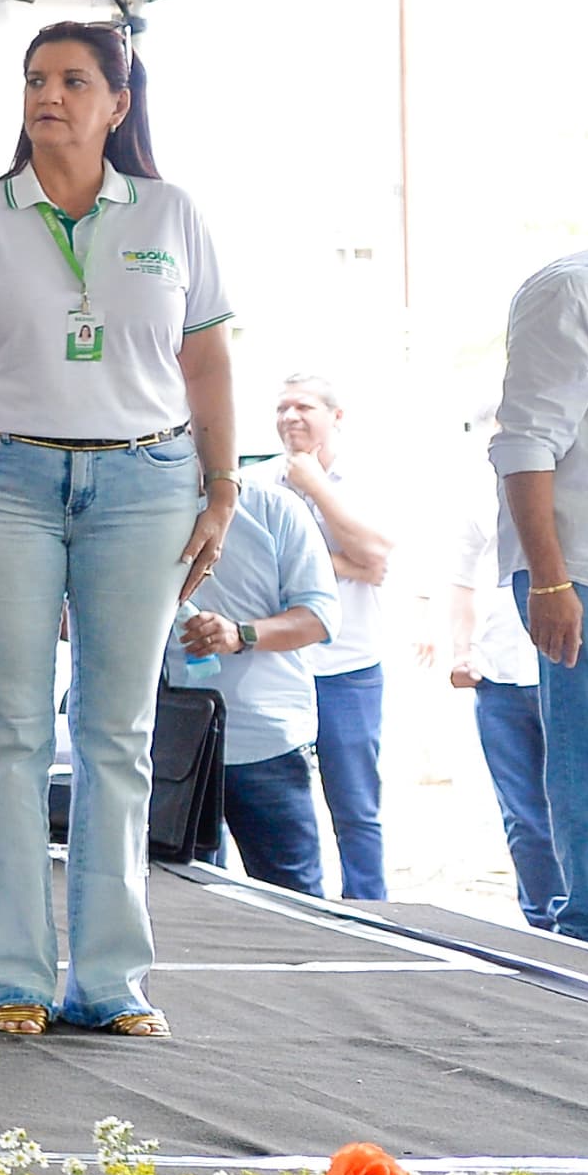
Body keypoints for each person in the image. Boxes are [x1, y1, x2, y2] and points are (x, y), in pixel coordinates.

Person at [0, 18, 237, 1039]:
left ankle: (110, 979)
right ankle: (13, 977)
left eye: (72, 80)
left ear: (116, 105)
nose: (48, 94)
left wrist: (219, 489)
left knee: (116, 733)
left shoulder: (170, 212)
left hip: (145, 483)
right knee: (5, 732)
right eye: (34, 78)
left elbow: (208, 361)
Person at [162, 470, 338, 896]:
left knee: (292, 899)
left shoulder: (275, 509)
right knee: (178, 895)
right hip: (166, 740)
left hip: (264, 740)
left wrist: (240, 635)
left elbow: (319, 616)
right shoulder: (138, 507)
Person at [491, 245, 588, 943]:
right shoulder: (570, 291)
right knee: (584, 755)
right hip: (577, 570)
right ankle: (584, 926)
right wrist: (549, 579)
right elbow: (524, 443)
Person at [268, 373, 391, 902]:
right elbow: (263, 569)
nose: (291, 417)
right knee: (277, 798)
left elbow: (377, 558)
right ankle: (297, 902)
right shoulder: (262, 482)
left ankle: (369, 906)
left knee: (355, 802)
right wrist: (343, 562)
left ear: (336, 416)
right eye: (282, 408)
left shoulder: (362, 478)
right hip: (279, 665)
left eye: (305, 407)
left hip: (349, 667)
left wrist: (316, 486)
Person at [439, 469, 565, 934]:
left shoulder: (575, 487)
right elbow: (462, 581)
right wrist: (460, 651)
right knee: (525, 816)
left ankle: (576, 920)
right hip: (501, 673)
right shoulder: (478, 496)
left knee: (572, 804)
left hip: (568, 668)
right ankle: (543, 926)